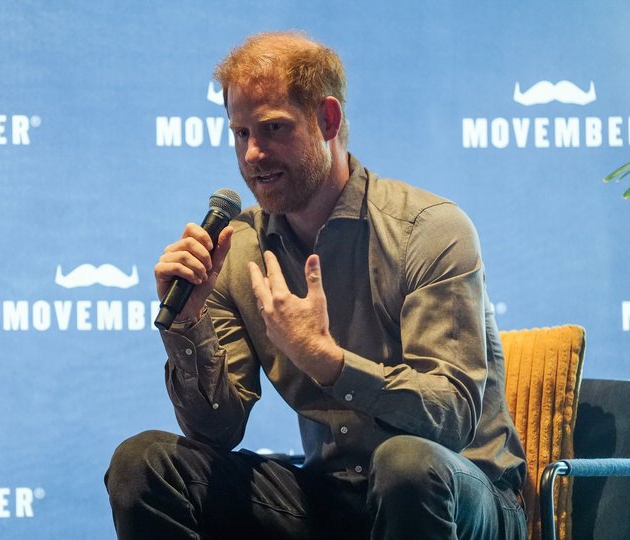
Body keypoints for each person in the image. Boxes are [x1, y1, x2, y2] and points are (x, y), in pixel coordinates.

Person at [106, 30, 527, 539]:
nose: (253, 154)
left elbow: (450, 417)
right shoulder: (235, 249)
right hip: (333, 494)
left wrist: (329, 361)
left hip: (464, 491)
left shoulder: (429, 228)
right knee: (145, 463)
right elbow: (216, 432)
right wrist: (189, 327)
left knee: (405, 464)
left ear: (328, 120)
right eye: (240, 134)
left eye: (273, 128)